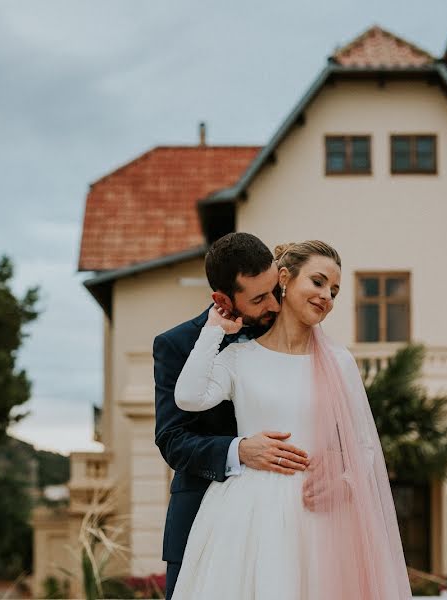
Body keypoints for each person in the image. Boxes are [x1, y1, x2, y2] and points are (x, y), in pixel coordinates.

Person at [171, 240, 411, 599]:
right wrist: (214, 329)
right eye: (317, 282)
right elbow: (189, 397)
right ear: (284, 278)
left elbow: (364, 446)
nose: (326, 296)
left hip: (316, 513)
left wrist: (345, 483)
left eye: (334, 290)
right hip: (247, 514)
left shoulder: (341, 362)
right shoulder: (239, 356)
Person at [153, 232, 311, 600]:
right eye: (258, 298)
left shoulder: (292, 333)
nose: (273, 305)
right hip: (200, 522)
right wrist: (238, 450)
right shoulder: (175, 346)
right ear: (223, 300)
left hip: (284, 527)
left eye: (275, 290)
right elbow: (173, 440)